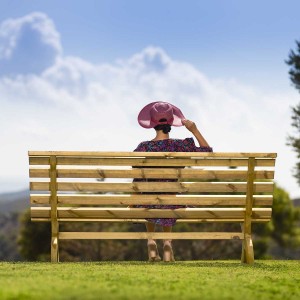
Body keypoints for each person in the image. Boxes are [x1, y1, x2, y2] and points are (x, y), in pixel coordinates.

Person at [133, 101, 213, 262]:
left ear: (152, 123)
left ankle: (151, 240)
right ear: (171, 122)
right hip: (171, 200)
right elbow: (207, 152)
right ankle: (167, 243)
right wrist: (194, 130)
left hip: (147, 201)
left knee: (147, 196)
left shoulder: (143, 147)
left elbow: (137, 175)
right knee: (170, 197)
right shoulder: (179, 145)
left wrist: (133, 198)